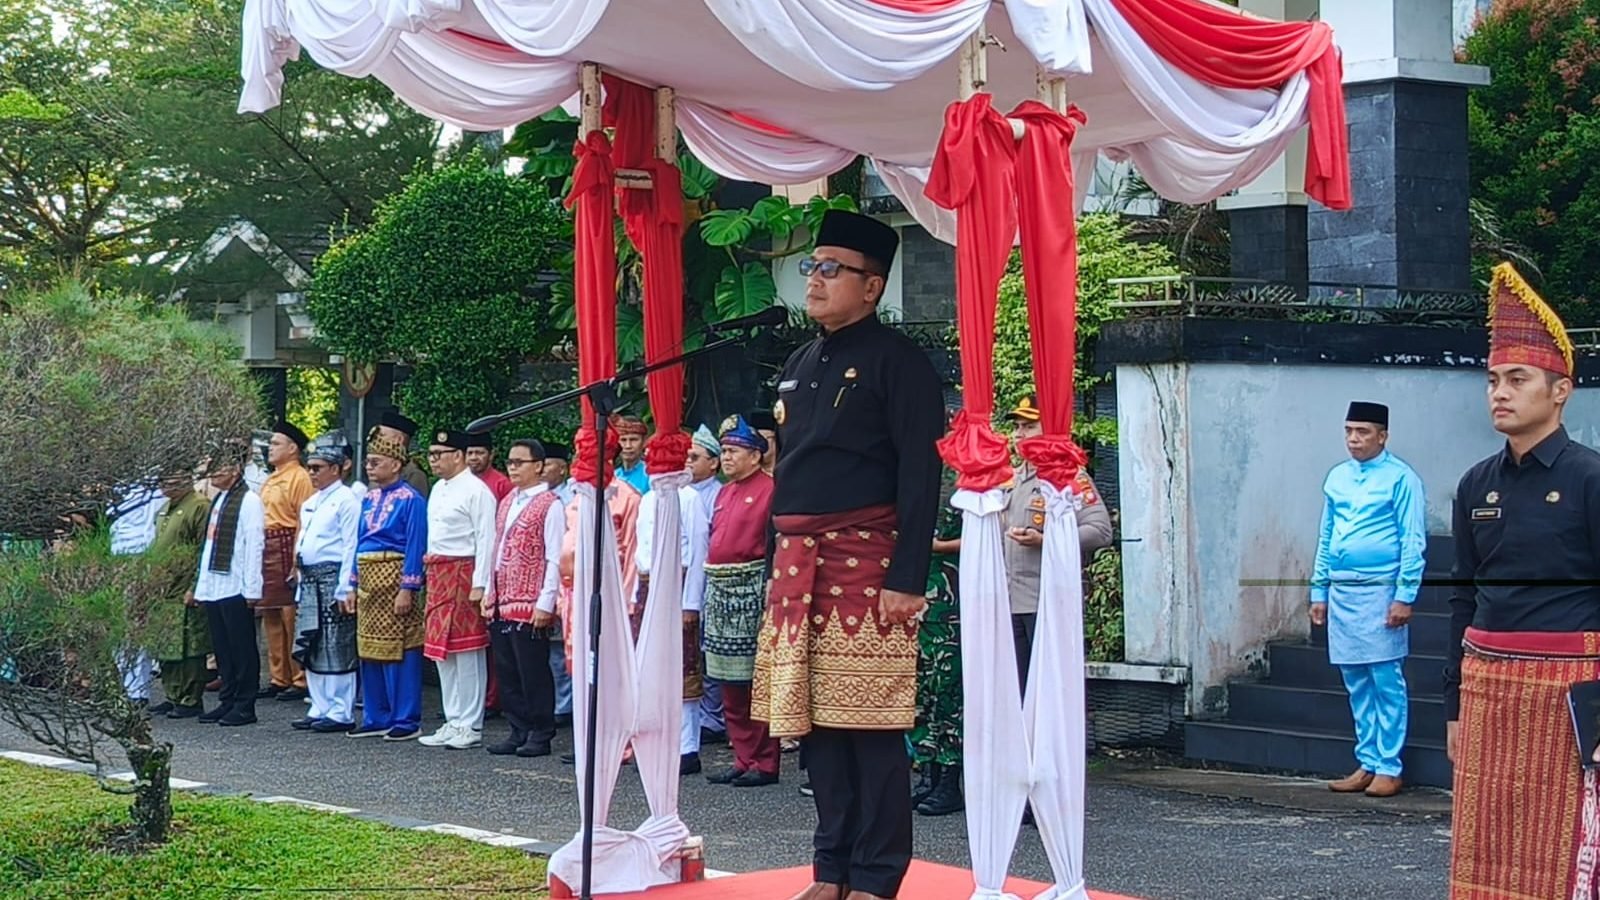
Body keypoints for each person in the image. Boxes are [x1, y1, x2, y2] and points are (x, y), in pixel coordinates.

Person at [750, 209, 945, 900]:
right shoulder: (800, 362)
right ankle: (830, 870)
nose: (817, 280)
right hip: (798, 565)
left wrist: (907, 577)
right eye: (813, 266)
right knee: (816, 729)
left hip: (868, 558)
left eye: (834, 269)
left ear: (872, 285)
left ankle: (876, 876)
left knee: (870, 725)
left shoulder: (901, 363)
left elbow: (922, 475)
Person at [1446, 264, 1600, 898]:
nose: (1499, 394)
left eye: (1517, 379)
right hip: (1487, 685)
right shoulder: (1475, 483)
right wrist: (1453, 704)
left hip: (1569, 688)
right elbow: (1461, 595)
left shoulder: (1591, 478)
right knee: (1485, 846)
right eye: (1491, 380)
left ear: (1560, 390)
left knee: (1565, 843)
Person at [1310, 401, 1425, 798]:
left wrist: (1404, 595)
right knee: (1355, 680)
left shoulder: (1402, 478)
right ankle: (1368, 761)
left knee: (1384, 679)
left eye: (1362, 432)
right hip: (1341, 590)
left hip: (1380, 590)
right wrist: (1318, 590)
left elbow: (1413, 540)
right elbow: (1326, 537)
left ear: (1383, 436)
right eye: (1348, 431)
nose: (1354, 439)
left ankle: (1390, 767)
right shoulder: (1337, 477)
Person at [1005, 395, 1114, 690]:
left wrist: (1047, 540)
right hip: (1007, 603)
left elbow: (1100, 530)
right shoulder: (1009, 480)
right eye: (1016, 427)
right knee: (1016, 692)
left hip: (1046, 601)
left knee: (1047, 690)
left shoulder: (1068, 477)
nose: (1018, 434)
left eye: (1028, 426)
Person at [704, 416, 780, 788]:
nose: (727, 458)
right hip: (720, 589)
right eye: (724, 451)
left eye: (733, 451)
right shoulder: (723, 492)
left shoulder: (771, 489)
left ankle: (765, 761)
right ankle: (741, 755)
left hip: (752, 589)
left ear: (755, 455)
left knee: (754, 679)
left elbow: (777, 544)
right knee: (726, 682)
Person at [484, 438, 565, 758]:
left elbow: (555, 556)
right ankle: (518, 728)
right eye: (510, 462)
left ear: (539, 466)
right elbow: (497, 548)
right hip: (503, 597)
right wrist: (490, 589)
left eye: (520, 462)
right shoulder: (508, 501)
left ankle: (540, 730)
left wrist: (547, 601)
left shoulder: (550, 503)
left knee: (533, 670)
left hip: (530, 600)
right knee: (507, 669)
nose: (513, 468)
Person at [418, 430, 498, 750]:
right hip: (438, 570)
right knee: (442, 651)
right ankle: (452, 719)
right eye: (431, 454)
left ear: (459, 455)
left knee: (467, 649)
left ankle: (471, 723)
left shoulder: (478, 492)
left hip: (465, 571)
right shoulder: (438, 489)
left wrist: (481, 584)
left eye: (440, 453)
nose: (435, 460)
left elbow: (486, 540)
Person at [348, 427, 429, 741]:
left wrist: (408, 587)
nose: (369, 467)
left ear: (395, 465)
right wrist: (353, 584)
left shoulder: (411, 500)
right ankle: (375, 714)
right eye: (368, 462)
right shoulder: (368, 499)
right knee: (369, 648)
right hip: (368, 578)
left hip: (395, 577)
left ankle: (405, 718)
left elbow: (414, 543)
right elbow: (359, 540)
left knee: (402, 647)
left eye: (376, 461)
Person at [291, 442, 362, 733]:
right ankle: (318, 704)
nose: (312, 473)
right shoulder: (313, 500)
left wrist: (346, 586)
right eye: (309, 467)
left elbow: (350, 545)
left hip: (333, 578)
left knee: (337, 644)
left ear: (336, 469)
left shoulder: (347, 499)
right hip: (309, 579)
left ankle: (340, 710)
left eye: (318, 468)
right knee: (313, 642)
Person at [194, 450, 266, 727]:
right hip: (216, 583)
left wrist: (252, 588)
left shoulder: (249, 501)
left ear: (236, 469)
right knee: (222, 647)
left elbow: (253, 545)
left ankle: (245, 704)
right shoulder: (221, 499)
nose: (213, 473)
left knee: (242, 647)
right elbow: (209, 546)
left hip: (236, 584)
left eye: (219, 467)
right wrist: (202, 586)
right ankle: (228, 699)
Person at [908, 466, 964, 818]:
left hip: (949, 604)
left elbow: (987, 534)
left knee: (949, 692)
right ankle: (927, 770)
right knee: (921, 691)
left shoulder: (967, 480)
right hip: (915, 605)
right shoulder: (911, 476)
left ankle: (950, 777)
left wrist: (938, 546)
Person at [147, 472, 212, 719]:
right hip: (163, 587)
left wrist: (195, 585)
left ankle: (190, 698)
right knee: (166, 645)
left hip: (185, 586)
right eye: (164, 480)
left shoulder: (199, 506)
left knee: (190, 645)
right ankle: (172, 695)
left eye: (173, 480)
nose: (166, 485)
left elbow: (202, 549)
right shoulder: (165, 508)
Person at [259, 421, 314, 702]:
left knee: (290, 614)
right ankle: (278, 676)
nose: (271, 448)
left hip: (286, 543)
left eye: (277, 443)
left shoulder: (299, 477)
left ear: (293, 448)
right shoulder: (270, 479)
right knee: (270, 613)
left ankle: (298, 676)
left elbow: (303, 521)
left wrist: (296, 559)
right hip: (267, 545)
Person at [685, 425, 727, 748]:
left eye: (695, 457)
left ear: (713, 463)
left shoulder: (718, 494)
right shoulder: (681, 492)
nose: (688, 463)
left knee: (707, 651)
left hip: (711, 579)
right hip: (682, 579)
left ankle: (712, 716)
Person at [110, 483, 167, 707]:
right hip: (112, 556)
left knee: (136, 626)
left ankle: (137, 690)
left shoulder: (153, 487)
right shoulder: (112, 483)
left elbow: (157, 524)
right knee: (116, 627)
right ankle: (124, 685)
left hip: (141, 558)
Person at [541, 441, 575, 722]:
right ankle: (554, 702)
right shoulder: (533, 496)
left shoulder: (572, 496)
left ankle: (566, 705)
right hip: (541, 576)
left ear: (563, 469)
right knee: (548, 647)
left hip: (568, 574)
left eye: (549, 464)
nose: (543, 470)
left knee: (565, 644)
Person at [377, 411, 432, 497]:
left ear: (399, 439)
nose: (377, 441)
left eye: (382, 435)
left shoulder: (414, 475)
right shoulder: (377, 468)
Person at [466, 432, 514, 502]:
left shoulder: (502, 485)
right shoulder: (459, 481)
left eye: (479, 453)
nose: (473, 458)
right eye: (470, 453)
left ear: (491, 455)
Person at [613, 415, 652, 496]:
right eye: (623, 440)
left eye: (633, 440)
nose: (628, 446)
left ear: (644, 442)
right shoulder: (614, 476)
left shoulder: (651, 475)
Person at [746, 409, 779, 476]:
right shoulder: (746, 476)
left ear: (774, 439)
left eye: (761, 439)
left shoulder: (787, 474)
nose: (757, 445)